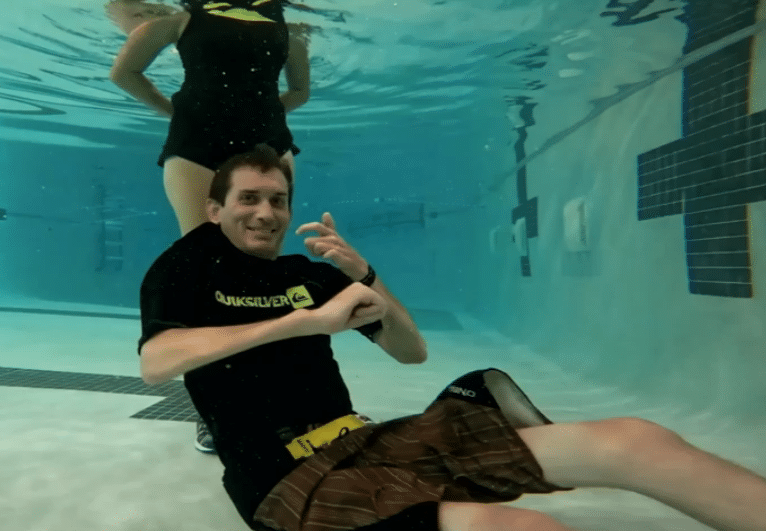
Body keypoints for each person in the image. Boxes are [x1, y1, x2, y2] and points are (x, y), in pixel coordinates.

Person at [137, 144, 766, 531]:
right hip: (287, 479)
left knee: (635, 440)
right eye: (248, 198)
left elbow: (413, 352)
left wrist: (367, 277)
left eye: (278, 199)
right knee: (523, 528)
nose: (266, 213)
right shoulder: (187, 268)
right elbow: (157, 364)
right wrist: (301, 323)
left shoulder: (309, 273)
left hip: (364, 440)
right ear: (215, 209)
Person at [107, 0, 311, 236]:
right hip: (244, 142)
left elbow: (124, 73)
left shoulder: (183, 20)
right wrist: (259, 113)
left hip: (206, 141)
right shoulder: (183, 18)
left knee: (240, 252)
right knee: (210, 254)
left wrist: (178, 113)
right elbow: (123, 73)